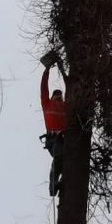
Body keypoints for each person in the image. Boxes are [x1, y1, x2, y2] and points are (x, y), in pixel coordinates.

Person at [40, 57, 66, 196]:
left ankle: (63, 182)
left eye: (59, 96)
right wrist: (47, 70)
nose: (58, 98)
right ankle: (53, 185)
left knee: (68, 160)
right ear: (51, 97)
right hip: (54, 139)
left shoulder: (66, 107)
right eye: (56, 95)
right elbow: (44, 89)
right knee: (59, 156)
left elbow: (72, 89)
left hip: (66, 138)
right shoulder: (47, 104)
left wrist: (62, 69)